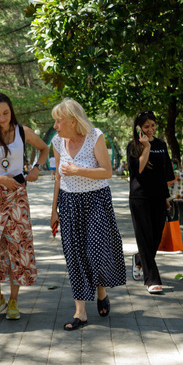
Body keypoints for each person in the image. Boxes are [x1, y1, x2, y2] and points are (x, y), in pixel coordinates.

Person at [50, 98, 126, 331]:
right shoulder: (57, 141)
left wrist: (78, 170)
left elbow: (107, 172)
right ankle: (80, 312)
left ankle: (101, 290)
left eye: (59, 121)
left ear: (73, 121)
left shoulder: (95, 136)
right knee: (74, 256)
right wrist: (54, 210)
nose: (55, 126)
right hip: (69, 202)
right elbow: (58, 177)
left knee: (96, 251)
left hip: (96, 201)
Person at [0, 92, 49, 320]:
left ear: (11, 110)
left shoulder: (22, 131)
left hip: (17, 194)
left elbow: (44, 149)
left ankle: (14, 301)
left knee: (19, 246)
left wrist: (36, 168)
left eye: (5, 113)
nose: (2, 118)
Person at [126, 110, 175, 294]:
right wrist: (145, 147)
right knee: (145, 237)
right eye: (146, 126)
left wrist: (166, 197)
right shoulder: (133, 146)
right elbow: (138, 169)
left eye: (153, 125)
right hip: (139, 198)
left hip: (159, 197)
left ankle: (139, 260)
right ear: (139, 128)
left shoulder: (162, 145)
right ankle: (152, 280)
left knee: (155, 238)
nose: (150, 129)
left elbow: (167, 175)